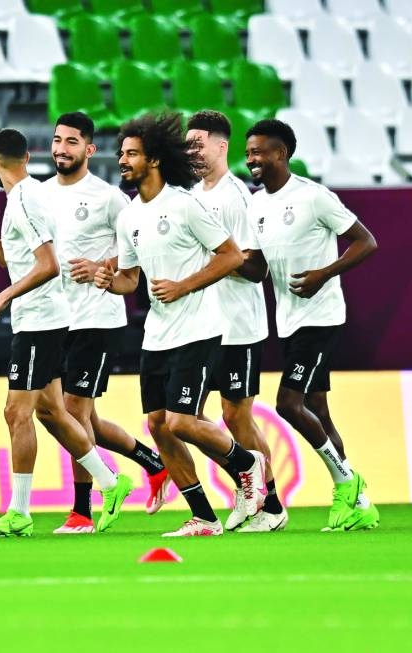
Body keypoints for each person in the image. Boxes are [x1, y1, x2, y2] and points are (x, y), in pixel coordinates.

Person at [0, 128, 134, 537]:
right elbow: (12, 258)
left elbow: (48, 265)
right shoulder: (28, 197)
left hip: (40, 321)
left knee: (17, 412)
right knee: (50, 411)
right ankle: (111, 482)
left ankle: (20, 511)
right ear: (27, 157)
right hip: (44, 318)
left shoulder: (26, 200)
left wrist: (5, 296)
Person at [94, 113, 267, 537]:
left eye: (131, 153)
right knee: (157, 424)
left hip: (200, 329)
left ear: (153, 159)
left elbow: (231, 256)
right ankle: (204, 517)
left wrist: (185, 286)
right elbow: (131, 280)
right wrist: (108, 281)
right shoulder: (128, 216)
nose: (123, 160)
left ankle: (247, 463)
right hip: (158, 333)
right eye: (121, 153)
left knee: (182, 421)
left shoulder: (186, 204)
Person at [245, 119, 379, 531]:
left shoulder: (314, 197)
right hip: (288, 320)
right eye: (248, 152)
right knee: (318, 409)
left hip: (320, 317)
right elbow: (257, 268)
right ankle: (359, 504)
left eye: (259, 152)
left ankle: (347, 481)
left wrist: (325, 273)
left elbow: (366, 241)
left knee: (288, 403)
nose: (251, 159)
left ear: (281, 154)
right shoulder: (256, 204)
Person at [44, 112, 170, 534]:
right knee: (86, 422)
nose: (62, 148)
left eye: (72, 142)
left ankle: (81, 511)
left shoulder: (109, 198)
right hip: (55, 318)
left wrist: (102, 264)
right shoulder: (40, 195)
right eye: (57, 141)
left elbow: (138, 246)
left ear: (89, 149)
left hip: (96, 317)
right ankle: (153, 462)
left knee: (73, 413)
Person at [186, 110, 287, 533]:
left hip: (239, 324)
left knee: (236, 416)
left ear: (221, 146)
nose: (191, 151)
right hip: (204, 324)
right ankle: (250, 489)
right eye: (187, 145)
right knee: (189, 416)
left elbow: (256, 268)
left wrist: (215, 260)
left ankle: (272, 505)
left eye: (198, 144)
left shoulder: (235, 196)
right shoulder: (193, 194)